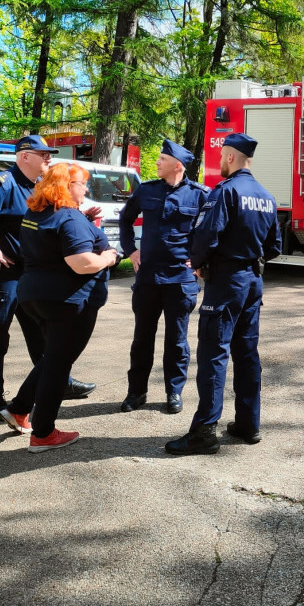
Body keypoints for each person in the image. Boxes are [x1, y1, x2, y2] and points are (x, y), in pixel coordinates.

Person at [0, 135, 98, 422]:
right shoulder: (3, 183)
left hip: (29, 271)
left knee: (43, 332)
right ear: (24, 156)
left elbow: (47, 221)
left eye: (50, 155)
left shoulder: (38, 187)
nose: (49, 159)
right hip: (0, 270)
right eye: (43, 155)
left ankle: (61, 380)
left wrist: (81, 214)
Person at [165, 133, 282, 456]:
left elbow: (205, 235)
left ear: (230, 157)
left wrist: (200, 264)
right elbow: (274, 247)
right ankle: (248, 424)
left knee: (213, 355)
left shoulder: (225, 193)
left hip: (226, 283)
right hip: (252, 282)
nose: (219, 161)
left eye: (221, 155)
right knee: (246, 354)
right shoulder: (266, 196)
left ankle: (204, 432)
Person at [0, 163, 122, 452]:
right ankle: (43, 433)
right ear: (67, 186)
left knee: (51, 359)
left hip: (35, 297)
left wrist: (82, 220)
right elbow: (81, 263)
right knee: (57, 366)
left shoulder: (36, 213)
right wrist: (108, 257)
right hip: (67, 304)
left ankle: (18, 409)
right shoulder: (69, 219)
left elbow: (55, 240)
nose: (86, 189)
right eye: (82, 184)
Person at [117, 139, 208, 415]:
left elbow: (209, 231)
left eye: (162, 159)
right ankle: (136, 392)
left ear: (177, 165)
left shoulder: (200, 194)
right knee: (142, 338)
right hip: (148, 278)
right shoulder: (146, 191)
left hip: (180, 279)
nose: (156, 162)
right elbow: (125, 219)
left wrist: (200, 259)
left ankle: (174, 392)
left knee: (177, 341)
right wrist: (131, 250)